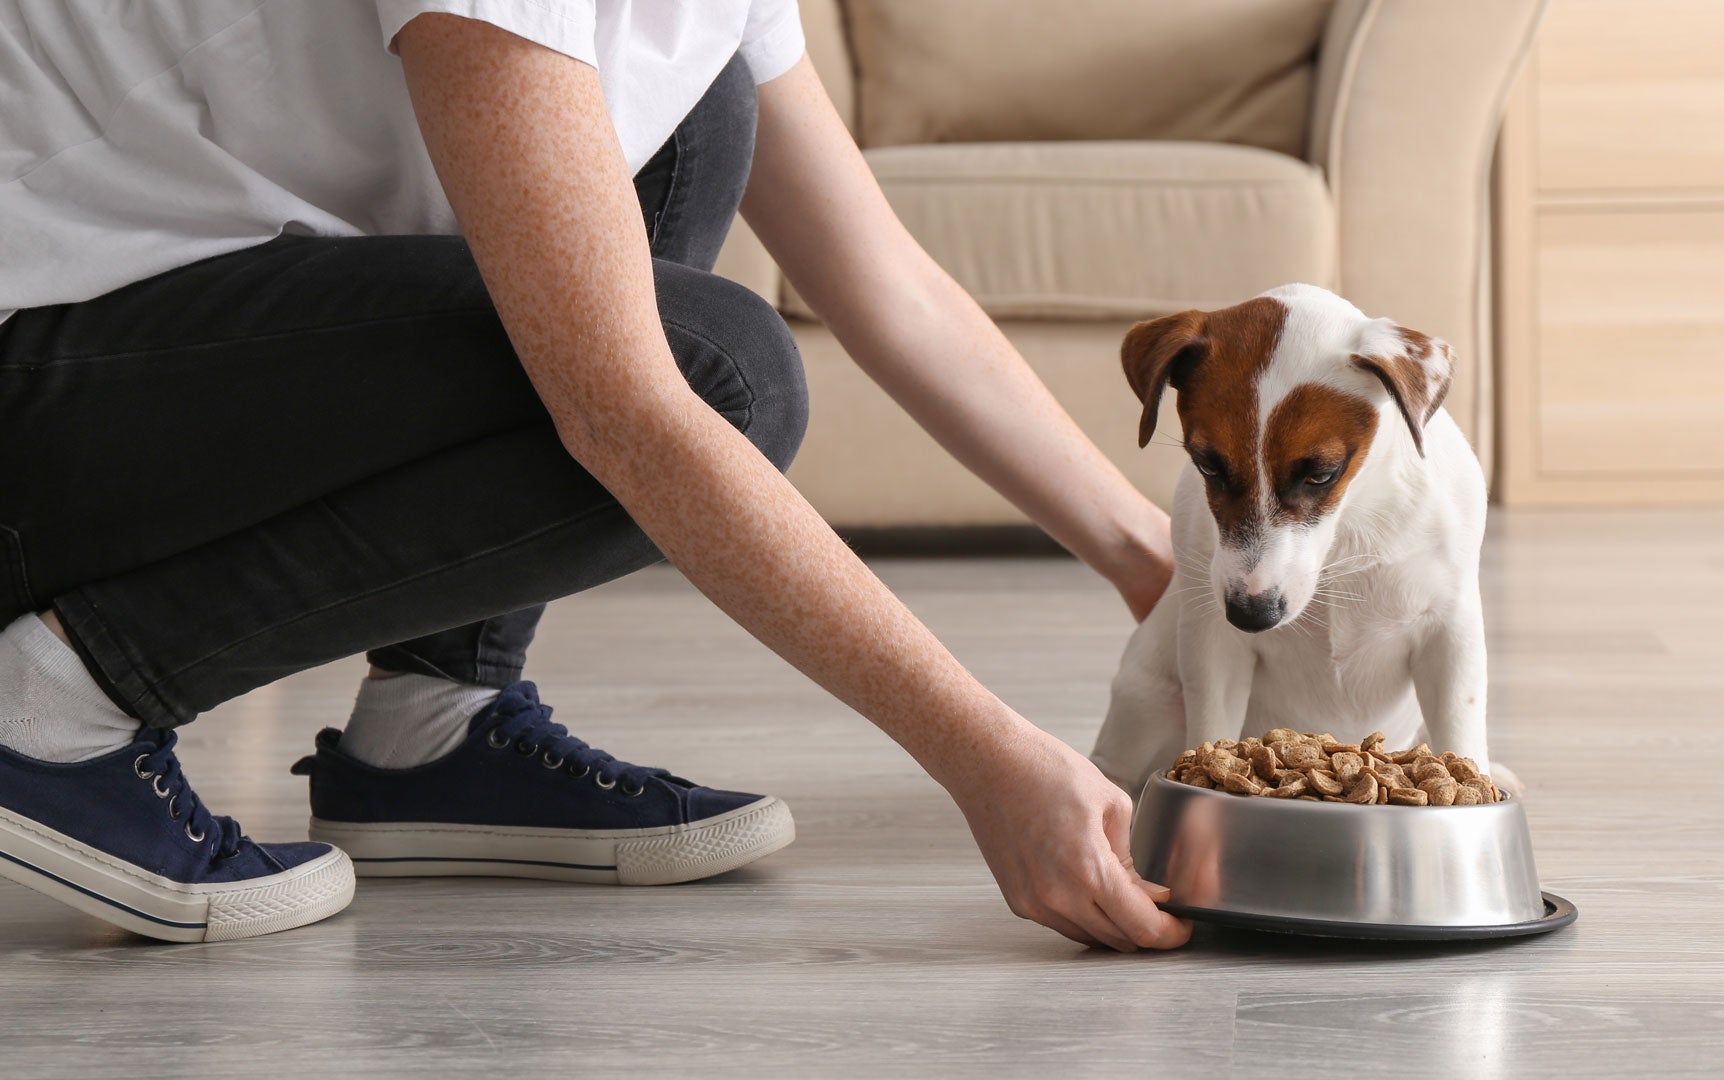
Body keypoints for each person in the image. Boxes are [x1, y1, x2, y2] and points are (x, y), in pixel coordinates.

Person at [0, 1, 1190, 951]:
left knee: (705, 104)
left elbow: (888, 285)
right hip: (39, 371)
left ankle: (434, 720)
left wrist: (1156, 565)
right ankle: (52, 707)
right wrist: (985, 760)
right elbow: (625, 413)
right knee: (725, 378)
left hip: (156, 333)